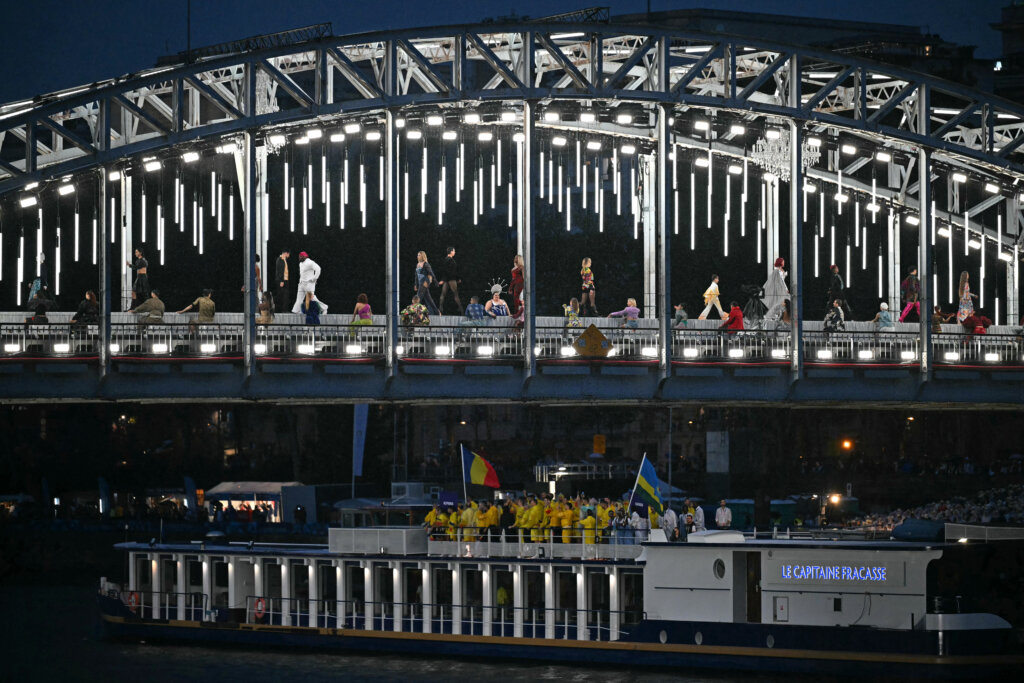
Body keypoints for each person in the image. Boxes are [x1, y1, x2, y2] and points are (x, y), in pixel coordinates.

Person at [437, 246, 463, 314]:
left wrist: (444, 279)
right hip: (451, 279)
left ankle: (440, 308)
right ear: (451, 252)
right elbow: (452, 271)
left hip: (447, 279)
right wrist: (458, 278)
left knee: (443, 294)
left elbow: (445, 271)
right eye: (454, 251)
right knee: (455, 294)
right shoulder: (450, 260)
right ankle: (461, 309)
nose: (455, 252)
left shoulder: (446, 259)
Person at [415, 251, 439, 316]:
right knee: (429, 299)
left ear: (422, 256)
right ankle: (436, 312)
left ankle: (414, 312)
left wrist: (435, 281)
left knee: (418, 297)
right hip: (420, 283)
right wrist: (416, 284)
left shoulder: (426, 264)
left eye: (419, 255)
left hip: (424, 282)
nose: (417, 256)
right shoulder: (417, 264)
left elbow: (431, 273)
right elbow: (416, 276)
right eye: (417, 255)